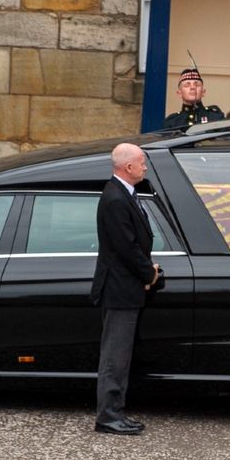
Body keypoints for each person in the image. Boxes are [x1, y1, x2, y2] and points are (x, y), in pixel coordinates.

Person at [90, 142, 160, 435]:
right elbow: (125, 247)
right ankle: (108, 416)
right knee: (114, 357)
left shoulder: (124, 193)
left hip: (125, 286)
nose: (145, 167)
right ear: (128, 167)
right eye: (142, 162)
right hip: (119, 288)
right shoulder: (116, 198)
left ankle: (116, 411)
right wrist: (149, 273)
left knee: (121, 355)